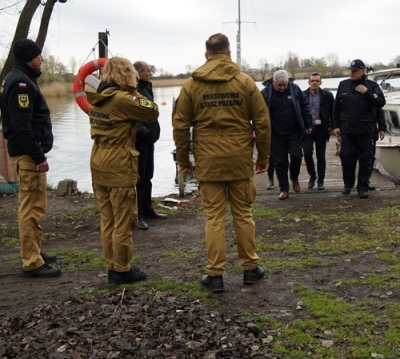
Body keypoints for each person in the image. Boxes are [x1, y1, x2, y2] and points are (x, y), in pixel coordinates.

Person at [172, 33, 271, 293]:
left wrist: (184, 160)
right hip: (239, 159)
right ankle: (250, 268)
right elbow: (262, 122)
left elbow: (180, 125)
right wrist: (263, 157)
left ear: (206, 56)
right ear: (228, 54)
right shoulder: (245, 81)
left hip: (208, 161)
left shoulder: (192, 85)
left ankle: (215, 274)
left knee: (214, 218)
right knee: (243, 214)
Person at [87, 57, 160, 284]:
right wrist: (134, 90)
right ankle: (122, 268)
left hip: (98, 159)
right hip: (118, 161)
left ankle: (112, 265)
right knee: (124, 219)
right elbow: (153, 111)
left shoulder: (97, 98)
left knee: (107, 218)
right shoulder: (124, 99)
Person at [0, 38, 59, 278]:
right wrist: (37, 156)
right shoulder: (21, 83)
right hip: (28, 155)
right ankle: (32, 261)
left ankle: (35, 250)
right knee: (32, 207)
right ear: (28, 57)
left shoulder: (17, 78)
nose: (41, 58)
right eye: (38, 55)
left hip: (26, 153)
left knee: (34, 205)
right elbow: (22, 126)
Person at [332, 59, 386, 198]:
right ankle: (348, 184)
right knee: (347, 158)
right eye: (351, 70)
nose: (352, 73)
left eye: (355, 71)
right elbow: (336, 107)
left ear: (363, 71)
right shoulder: (343, 85)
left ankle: (363, 187)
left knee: (366, 159)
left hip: (366, 129)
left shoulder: (372, 86)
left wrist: (367, 92)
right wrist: (335, 126)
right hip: (348, 129)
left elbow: (380, 104)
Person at [262, 70, 313, 200]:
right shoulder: (265, 93)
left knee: (296, 156)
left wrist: (308, 124)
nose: (283, 87)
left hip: (294, 131)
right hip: (275, 133)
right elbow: (259, 112)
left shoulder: (294, 89)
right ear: (274, 82)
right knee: (280, 162)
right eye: (280, 85)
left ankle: (294, 178)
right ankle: (284, 189)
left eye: (284, 85)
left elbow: (305, 106)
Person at [133, 60, 166, 231]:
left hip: (149, 141)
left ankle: (148, 209)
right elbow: (134, 118)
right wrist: (146, 133)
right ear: (139, 72)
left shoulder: (146, 87)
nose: (150, 73)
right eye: (147, 70)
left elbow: (150, 112)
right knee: (139, 178)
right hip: (139, 142)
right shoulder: (134, 90)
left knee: (148, 176)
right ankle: (138, 215)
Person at [302, 72, 334, 190]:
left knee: (321, 156)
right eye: (312, 81)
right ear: (309, 82)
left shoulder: (327, 95)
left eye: (317, 81)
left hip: (321, 129)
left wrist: (333, 126)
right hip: (308, 129)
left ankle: (321, 180)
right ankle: (312, 175)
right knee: (307, 153)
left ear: (320, 82)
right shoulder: (302, 95)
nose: (314, 83)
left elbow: (332, 112)